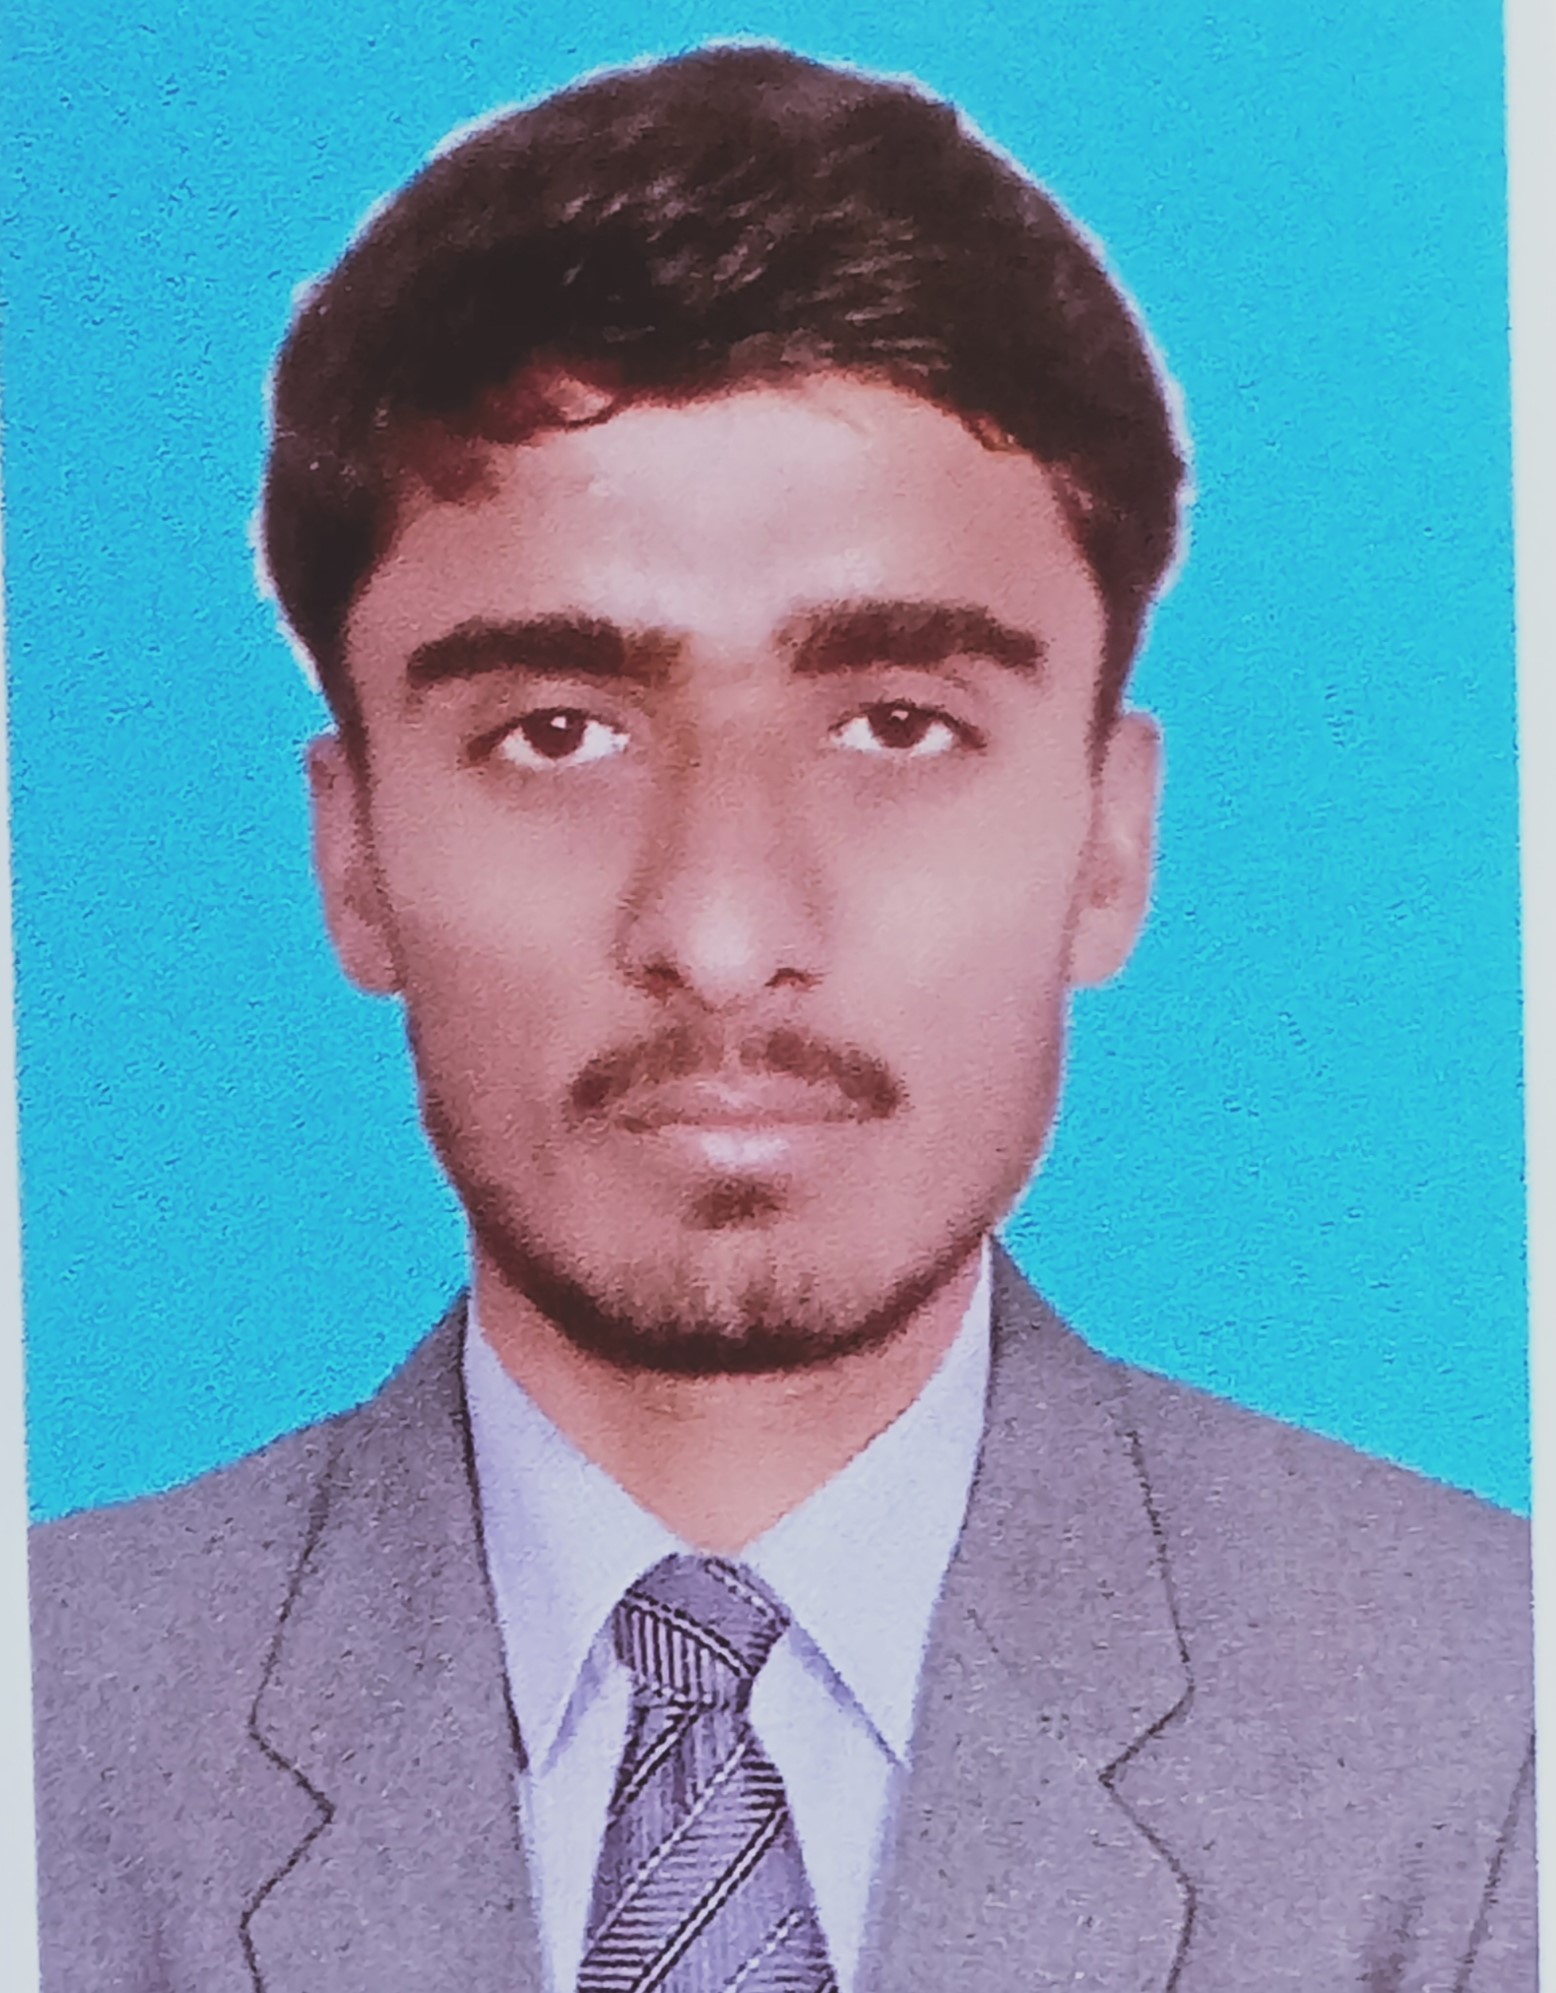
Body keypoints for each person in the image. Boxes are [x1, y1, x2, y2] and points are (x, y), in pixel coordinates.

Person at [28, 44, 1533, 1993]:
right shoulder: (47, 1729)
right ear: (353, 854)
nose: (724, 935)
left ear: (1109, 838)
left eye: (896, 722)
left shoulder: (1492, 1736)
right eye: (554, 732)